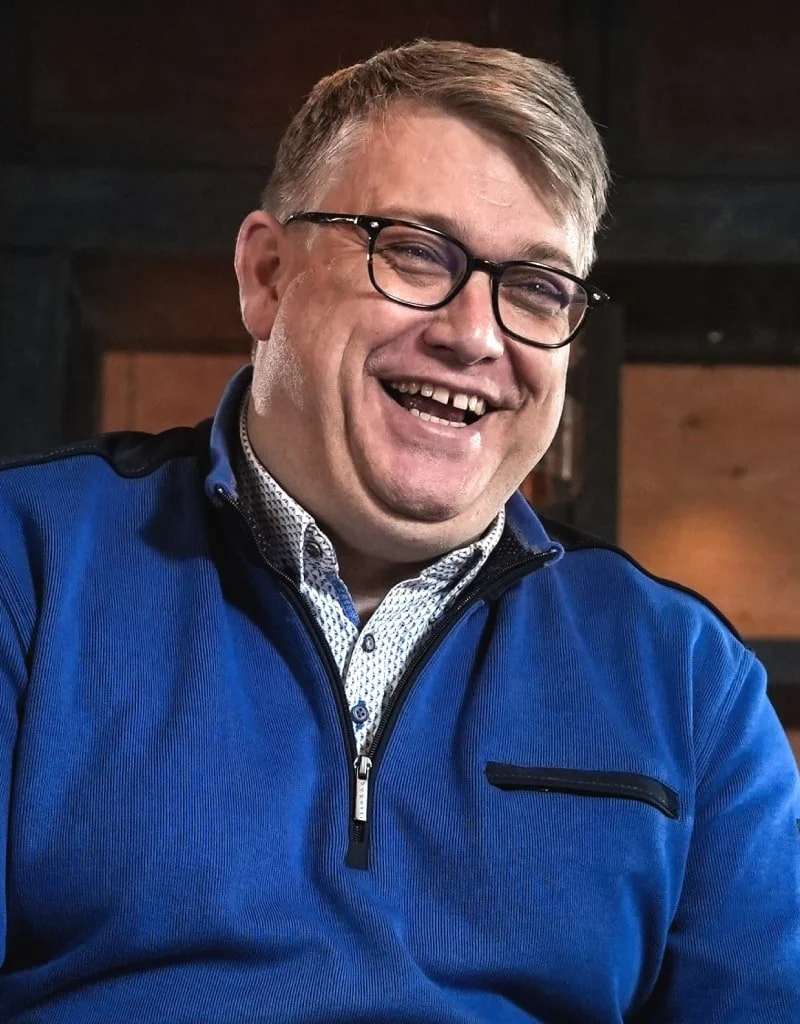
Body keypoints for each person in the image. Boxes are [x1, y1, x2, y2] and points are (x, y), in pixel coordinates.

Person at [0, 38, 797, 1024]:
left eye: (536, 287)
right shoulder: (27, 567)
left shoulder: (687, 678)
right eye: (414, 251)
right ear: (266, 275)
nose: (475, 334)